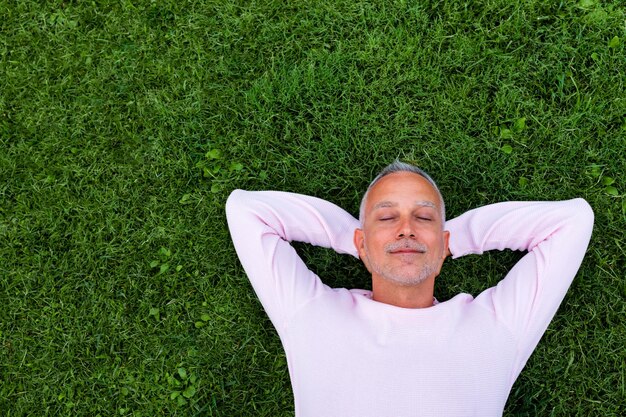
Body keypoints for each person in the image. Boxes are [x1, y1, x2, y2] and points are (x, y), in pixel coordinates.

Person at [225, 161, 594, 417]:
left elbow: (572, 220)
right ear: (361, 241)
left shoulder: (497, 328)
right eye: (387, 217)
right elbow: (246, 209)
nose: (406, 229)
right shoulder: (311, 313)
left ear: (443, 239)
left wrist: (450, 241)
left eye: (424, 217)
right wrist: (363, 243)